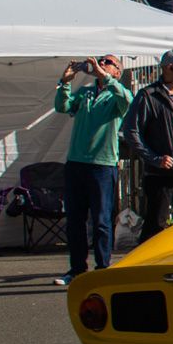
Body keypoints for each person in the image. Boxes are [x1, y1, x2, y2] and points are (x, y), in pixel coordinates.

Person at [53, 54, 134, 286]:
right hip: (76, 163)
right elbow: (62, 107)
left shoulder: (116, 95)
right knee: (75, 220)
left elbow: (128, 99)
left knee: (101, 220)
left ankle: (102, 269)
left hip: (102, 165)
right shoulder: (86, 92)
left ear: (117, 72)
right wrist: (66, 82)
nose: (102, 64)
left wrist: (105, 78)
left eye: (108, 62)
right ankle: (77, 270)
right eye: (101, 61)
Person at [121, 49, 173, 242]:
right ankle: (151, 265)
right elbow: (131, 132)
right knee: (156, 224)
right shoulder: (148, 96)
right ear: (170, 68)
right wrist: (153, 158)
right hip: (160, 173)